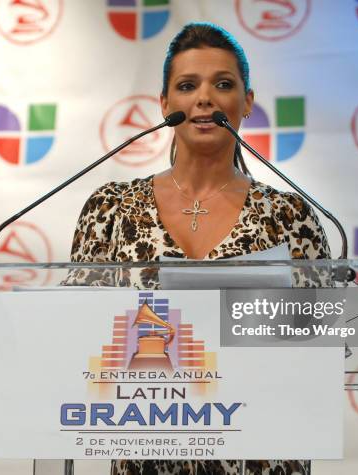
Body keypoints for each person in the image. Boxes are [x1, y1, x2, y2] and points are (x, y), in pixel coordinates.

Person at [70, 22, 329, 475]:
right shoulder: (110, 210)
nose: (204, 98)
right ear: (165, 104)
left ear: (246, 102)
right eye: (187, 86)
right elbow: (69, 336)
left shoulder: (290, 217)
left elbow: (328, 339)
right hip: (146, 456)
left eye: (223, 84)